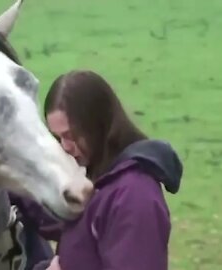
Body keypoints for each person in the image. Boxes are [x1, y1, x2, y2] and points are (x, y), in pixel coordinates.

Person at [29, 69, 183, 270]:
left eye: (72, 135)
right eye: (59, 138)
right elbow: (74, 234)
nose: (66, 147)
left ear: (98, 124)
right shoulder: (97, 178)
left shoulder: (133, 195)